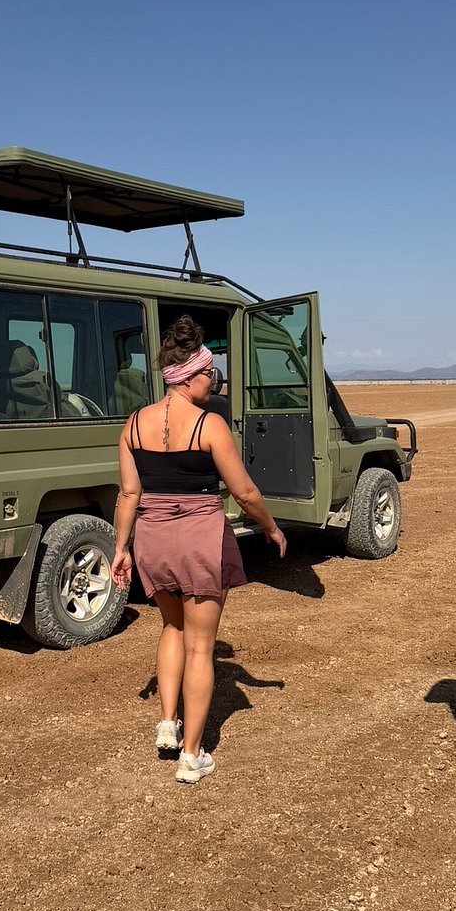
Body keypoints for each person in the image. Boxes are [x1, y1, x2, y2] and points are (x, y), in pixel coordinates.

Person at [111, 314, 286, 784]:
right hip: (200, 540)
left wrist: (120, 549)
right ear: (190, 375)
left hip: (152, 540)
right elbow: (245, 493)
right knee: (201, 647)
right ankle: (193, 755)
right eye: (211, 373)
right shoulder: (209, 425)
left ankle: (168, 724)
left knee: (171, 627)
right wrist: (272, 528)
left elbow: (128, 495)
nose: (214, 381)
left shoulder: (133, 424)